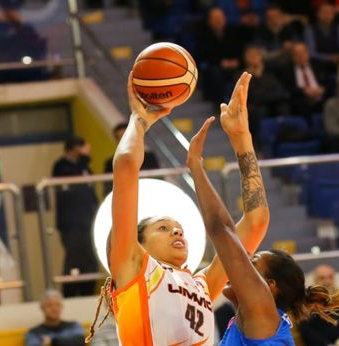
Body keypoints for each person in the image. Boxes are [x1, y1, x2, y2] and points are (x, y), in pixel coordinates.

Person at [86, 73, 270, 344]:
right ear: (139, 243)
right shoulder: (134, 265)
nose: (176, 232)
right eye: (163, 228)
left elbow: (256, 222)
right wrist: (139, 120)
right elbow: (125, 166)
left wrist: (242, 139)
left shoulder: (202, 285)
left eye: (178, 229)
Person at [185, 79, 339, 344]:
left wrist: (196, 167)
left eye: (252, 263)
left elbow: (222, 230)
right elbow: (256, 219)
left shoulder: (262, 313)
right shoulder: (258, 318)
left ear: (269, 286)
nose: (243, 258)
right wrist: (241, 138)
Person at [52, 136, 99, 297]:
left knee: (90, 259)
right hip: (71, 222)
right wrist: (83, 158)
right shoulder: (61, 166)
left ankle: (88, 292)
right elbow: (72, 184)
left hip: (88, 219)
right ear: (74, 149)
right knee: (74, 258)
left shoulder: (85, 167)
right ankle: (70, 294)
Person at [103, 122, 159, 195]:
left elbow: (158, 179)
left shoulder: (149, 157)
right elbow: (108, 189)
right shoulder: (111, 163)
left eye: (126, 137)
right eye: (120, 138)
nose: (124, 141)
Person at [279, 41, 326, 118]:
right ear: (292, 56)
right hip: (301, 98)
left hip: (320, 95)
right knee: (298, 103)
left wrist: (322, 89)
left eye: (303, 52)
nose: (301, 56)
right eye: (297, 54)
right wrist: (304, 91)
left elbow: (326, 82)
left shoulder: (318, 65)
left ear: (308, 53)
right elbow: (287, 88)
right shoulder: (286, 70)